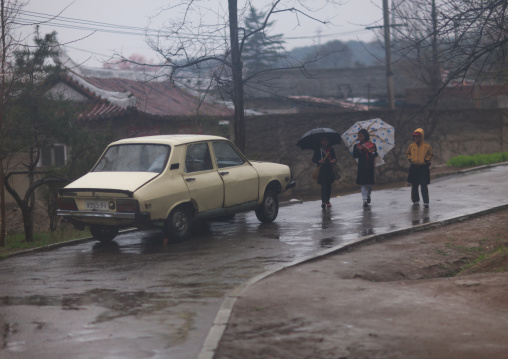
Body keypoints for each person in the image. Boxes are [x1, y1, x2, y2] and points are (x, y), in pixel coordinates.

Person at [405, 128, 434, 207]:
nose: (415, 138)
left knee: (423, 185)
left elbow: (431, 154)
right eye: (414, 136)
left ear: (421, 137)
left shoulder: (427, 146)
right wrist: (410, 159)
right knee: (414, 185)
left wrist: (426, 159)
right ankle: (415, 200)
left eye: (417, 136)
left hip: (423, 167)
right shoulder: (411, 146)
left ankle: (426, 201)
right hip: (414, 167)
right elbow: (407, 153)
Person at [353, 129, 378, 207]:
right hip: (362, 167)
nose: (360, 137)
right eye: (359, 136)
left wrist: (372, 151)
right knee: (363, 184)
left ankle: (368, 195)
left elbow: (375, 154)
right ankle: (364, 200)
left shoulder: (372, 145)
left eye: (361, 136)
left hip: (370, 166)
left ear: (365, 136)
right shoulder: (356, 146)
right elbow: (355, 155)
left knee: (370, 184)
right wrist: (359, 150)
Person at [312, 136, 337, 209]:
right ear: (321, 141)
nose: (325, 142)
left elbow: (335, 158)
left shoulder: (331, 149)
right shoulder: (318, 150)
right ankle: (323, 201)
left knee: (329, 186)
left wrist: (334, 160)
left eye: (326, 140)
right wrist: (319, 161)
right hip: (322, 170)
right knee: (323, 186)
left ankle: (327, 201)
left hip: (329, 169)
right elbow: (313, 159)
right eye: (323, 140)